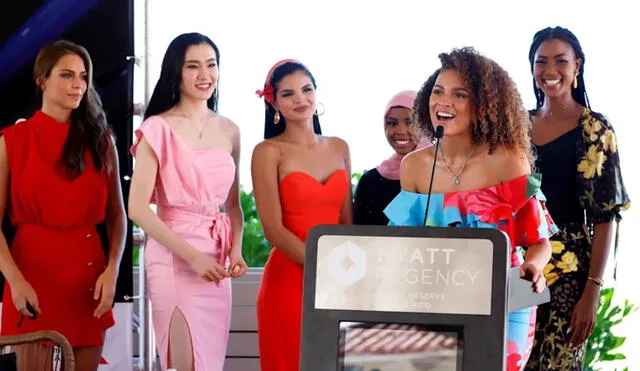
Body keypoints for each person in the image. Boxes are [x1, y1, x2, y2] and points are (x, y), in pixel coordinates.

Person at [384, 47, 555, 370]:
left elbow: (540, 242)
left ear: (483, 105)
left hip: (507, 300)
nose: (443, 102)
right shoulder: (414, 167)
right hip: (438, 301)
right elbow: (402, 247)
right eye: (438, 92)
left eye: (459, 95)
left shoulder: (509, 160)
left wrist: (532, 268)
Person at [0, 40, 126, 370]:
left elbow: (117, 216)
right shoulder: (12, 141)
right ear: (42, 79)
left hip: (87, 281)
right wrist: (14, 280)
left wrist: (112, 271)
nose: (78, 85)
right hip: (30, 280)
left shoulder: (101, 140)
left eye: (83, 77)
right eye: (67, 75)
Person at [128, 32, 246, 371]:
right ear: (175, 73)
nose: (204, 75)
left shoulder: (230, 130)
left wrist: (235, 249)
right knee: (184, 365)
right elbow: (137, 209)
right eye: (192, 66)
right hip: (174, 258)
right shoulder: (157, 127)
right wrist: (192, 256)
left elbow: (233, 207)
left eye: (211, 65)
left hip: (216, 261)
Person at [524, 26, 630, 371]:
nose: (550, 70)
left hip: (571, 271)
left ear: (577, 67)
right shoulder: (515, 127)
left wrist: (592, 293)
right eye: (541, 61)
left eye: (560, 60)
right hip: (518, 263)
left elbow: (605, 217)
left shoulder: (595, 129)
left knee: (558, 364)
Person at [252, 59, 352, 370]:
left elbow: (347, 221)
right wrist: (324, 266)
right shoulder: (267, 152)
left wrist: (343, 273)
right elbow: (273, 229)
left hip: (339, 279)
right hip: (289, 281)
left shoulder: (339, 147)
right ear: (274, 102)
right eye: (288, 93)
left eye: (306, 89)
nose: (300, 99)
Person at [353, 90, 431, 225]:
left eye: (410, 122)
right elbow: (358, 236)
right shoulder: (370, 181)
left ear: (424, 125)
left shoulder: (440, 173)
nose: (400, 131)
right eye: (392, 123)